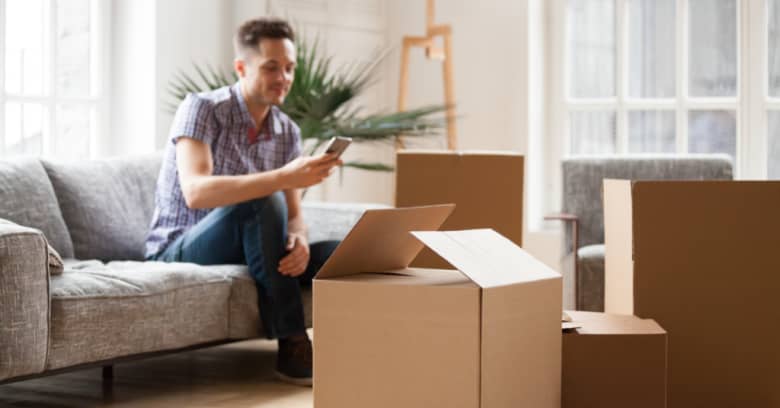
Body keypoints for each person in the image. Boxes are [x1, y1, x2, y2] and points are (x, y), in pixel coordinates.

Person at [145, 17, 341, 386]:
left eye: (289, 68)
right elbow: (196, 190)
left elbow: (295, 216)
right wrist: (284, 177)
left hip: (255, 244)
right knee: (263, 202)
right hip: (181, 245)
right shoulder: (202, 109)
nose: (283, 77)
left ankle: (370, 345)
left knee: (344, 252)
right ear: (241, 67)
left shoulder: (288, 132)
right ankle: (292, 340)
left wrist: (298, 239)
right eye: (271, 67)